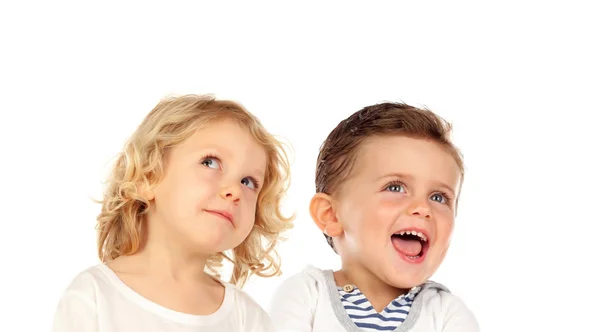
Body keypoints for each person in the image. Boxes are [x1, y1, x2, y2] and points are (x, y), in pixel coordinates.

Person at [52, 94, 293, 332]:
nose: (234, 191)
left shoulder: (247, 318)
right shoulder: (93, 296)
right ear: (147, 178)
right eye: (210, 162)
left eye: (248, 182)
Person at [270, 102, 479, 331]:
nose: (423, 208)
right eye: (395, 187)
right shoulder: (307, 295)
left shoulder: (447, 314)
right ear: (331, 215)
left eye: (439, 197)